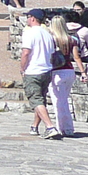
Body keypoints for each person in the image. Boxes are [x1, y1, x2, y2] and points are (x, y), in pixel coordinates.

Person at [19, 8, 59, 138]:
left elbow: (26, 53)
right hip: (46, 70)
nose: (27, 20)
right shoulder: (48, 34)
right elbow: (52, 54)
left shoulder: (29, 33)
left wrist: (23, 68)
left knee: (36, 100)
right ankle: (34, 126)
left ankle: (50, 126)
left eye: (28, 17)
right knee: (40, 100)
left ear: (32, 18)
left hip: (33, 71)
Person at [47, 11, 87, 137]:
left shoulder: (52, 40)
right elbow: (76, 57)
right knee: (64, 100)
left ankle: (61, 128)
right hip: (69, 71)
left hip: (56, 72)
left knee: (58, 101)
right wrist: (83, 72)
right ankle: (68, 128)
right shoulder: (72, 39)